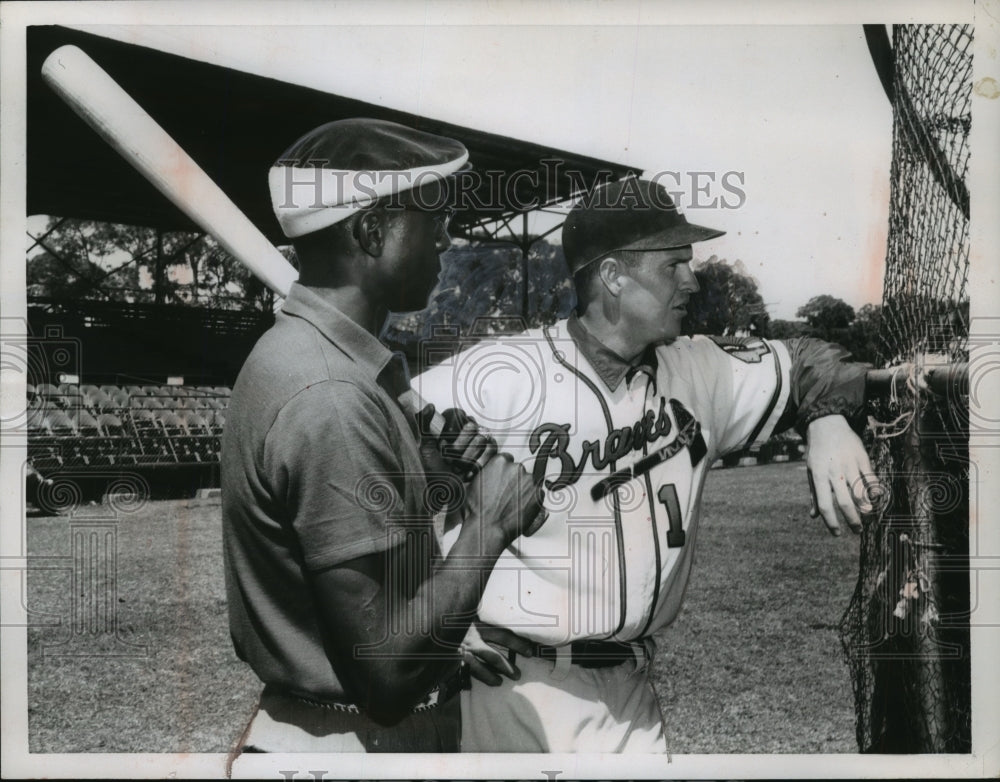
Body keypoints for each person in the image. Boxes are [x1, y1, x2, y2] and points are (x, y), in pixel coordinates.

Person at [414, 176, 878, 752]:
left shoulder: (700, 369)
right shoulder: (498, 376)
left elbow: (810, 360)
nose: (693, 278)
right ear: (613, 277)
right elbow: (357, 475)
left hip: (633, 692)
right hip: (513, 692)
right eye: (673, 264)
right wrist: (428, 619)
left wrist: (826, 420)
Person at [221, 118, 542, 759]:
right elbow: (386, 674)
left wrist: (430, 474)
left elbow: (361, 573)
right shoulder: (331, 396)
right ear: (372, 231)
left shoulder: (315, 360)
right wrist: (488, 527)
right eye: (433, 220)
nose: (446, 237)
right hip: (351, 745)